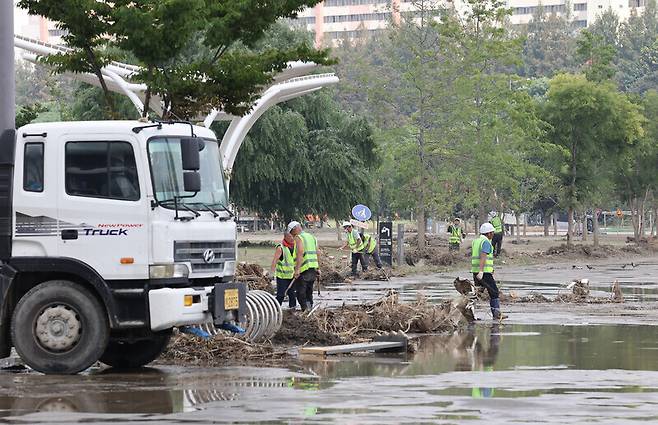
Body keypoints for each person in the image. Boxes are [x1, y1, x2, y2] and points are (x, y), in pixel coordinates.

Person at [472, 223, 507, 320]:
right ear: (488, 233)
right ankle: (497, 315)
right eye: (492, 233)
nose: (493, 235)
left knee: (477, 293)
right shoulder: (486, 242)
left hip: (476, 271)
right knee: (494, 292)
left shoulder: (476, 241)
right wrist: (482, 271)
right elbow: (483, 256)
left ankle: (470, 315)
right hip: (483, 273)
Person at [288, 221, 320, 311]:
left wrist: (297, 270)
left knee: (301, 292)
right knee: (309, 291)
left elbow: (300, 253)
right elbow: (318, 252)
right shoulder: (312, 237)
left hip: (304, 269)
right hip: (312, 269)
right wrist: (318, 268)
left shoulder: (299, 237)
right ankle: (309, 309)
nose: (291, 235)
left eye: (291, 232)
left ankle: (305, 310)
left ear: (295, 229)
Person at [269, 231, 297, 309]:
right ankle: (275, 309)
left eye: (292, 236)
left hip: (292, 276)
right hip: (282, 277)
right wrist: (271, 273)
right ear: (285, 237)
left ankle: (292, 310)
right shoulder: (280, 248)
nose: (292, 238)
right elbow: (274, 261)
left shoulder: (296, 247)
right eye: (290, 237)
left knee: (292, 295)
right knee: (281, 295)